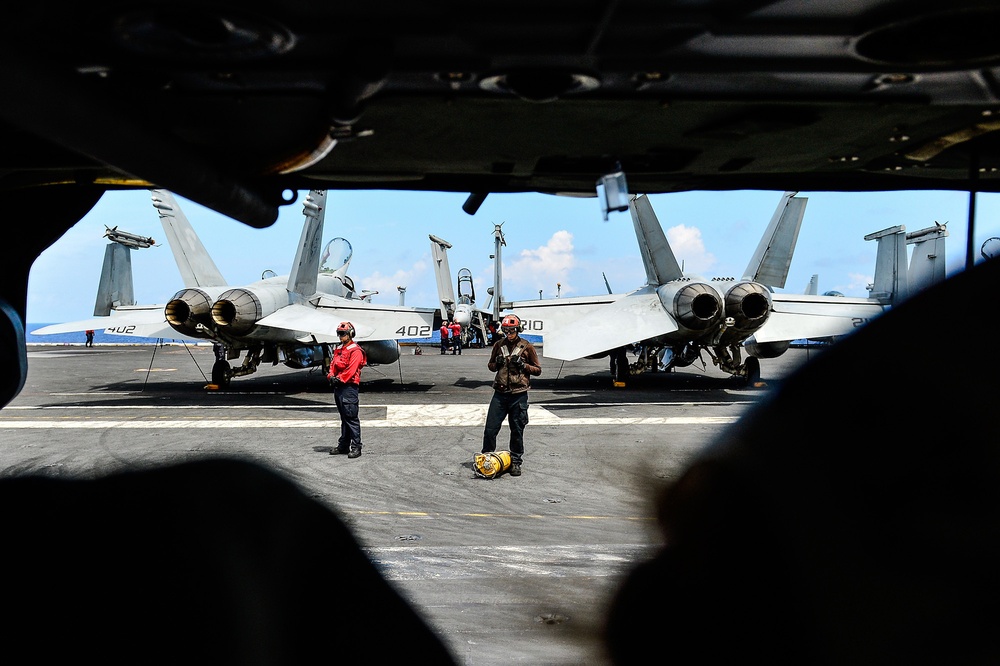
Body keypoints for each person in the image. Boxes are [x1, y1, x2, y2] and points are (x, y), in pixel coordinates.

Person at [481, 314, 541, 477]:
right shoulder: (499, 345)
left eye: (512, 330)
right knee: (490, 429)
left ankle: (515, 461)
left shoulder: (526, 346)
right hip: (500, 394)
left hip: (518, 395)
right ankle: (486, 457)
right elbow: (491, 366)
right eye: (506, 330)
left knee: (517, 430)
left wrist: (523, 366)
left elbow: (538, 370)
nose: (509, 333)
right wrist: (497, 363)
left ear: (518, 330)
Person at [326, 321, 365, 459]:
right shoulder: (339, 349)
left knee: (351, 418)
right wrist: (330, 376)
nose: (340, 336)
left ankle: (356, 447)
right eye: (339, 334)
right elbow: (332, 364)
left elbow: (351, 369)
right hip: (339, 387)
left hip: (349, 388)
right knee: (344, 418)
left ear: (350, 334)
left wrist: (339, 378)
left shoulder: (356, 351)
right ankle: (343, 445)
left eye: (342, 334)